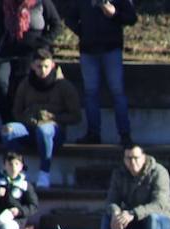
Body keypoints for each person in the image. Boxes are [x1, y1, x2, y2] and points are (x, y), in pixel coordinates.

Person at [2, 48, 82, 189]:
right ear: (32, 66)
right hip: (29, 128)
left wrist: (54, 117)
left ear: (52, 65)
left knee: (44, 130)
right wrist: (28, 119)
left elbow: (76, 116)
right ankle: (17, 169)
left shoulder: (64, 86)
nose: (43, 70)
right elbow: (16, 111)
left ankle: (44, 173)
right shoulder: (26, 84)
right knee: (8, 130)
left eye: (46, 66)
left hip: (53, 131)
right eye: (39, 66)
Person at [64, 0, 137, 145]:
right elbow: (69, 18)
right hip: (88, 50)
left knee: (117, 92)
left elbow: (131, 18)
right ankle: (93, 134)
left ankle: (124, 135)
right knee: (91, 93)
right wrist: (83, 31)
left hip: (112, 48)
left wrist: (114, 14)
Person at [0, 0, 61, 125]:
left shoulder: (42, 3)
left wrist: (42, 43)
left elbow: (56, 25)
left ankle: (25, 125)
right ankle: (8, 123)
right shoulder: (7, 3)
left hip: (33, 52)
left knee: (24, 84)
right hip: (9, 51)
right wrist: (4, 40)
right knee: (0, 80)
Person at [99, 144, 170, 229]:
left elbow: (159, 204)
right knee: (108, 218)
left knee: (153, 219)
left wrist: (133, 213)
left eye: (136, 158)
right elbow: (111, 200)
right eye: (129, 158)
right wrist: (115, 212)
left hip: (163, 219)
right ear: (124, 159)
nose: (132, 162)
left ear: (144, 157)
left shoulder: (159, 172)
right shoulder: (118, 173)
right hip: (134, 221)